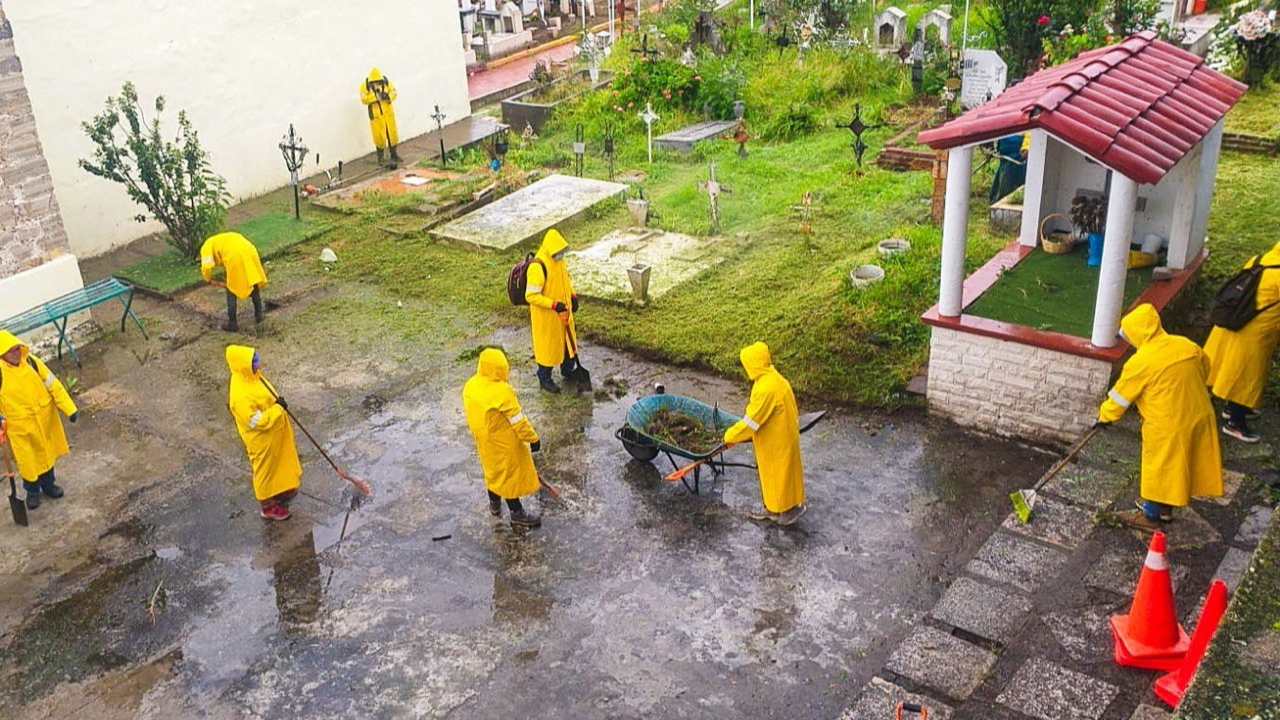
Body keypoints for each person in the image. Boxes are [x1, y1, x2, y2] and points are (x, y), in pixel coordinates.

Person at [1097, 304, 1222, 529]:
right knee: (1178, 466)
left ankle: (1151, 516)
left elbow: (1120, 397)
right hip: (1199, 414)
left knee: (1160, 467)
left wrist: (1105, 417)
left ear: (1136, 333)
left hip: (1168, 423)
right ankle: (1165, 509)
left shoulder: (1141, 361)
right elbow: (1206, 367)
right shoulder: (1185, 345)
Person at [1203, 243, 1280, 443]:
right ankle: (1235, 423)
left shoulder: (1259, 259)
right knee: (1245, 378)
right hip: (1254, 333)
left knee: (1229, 368)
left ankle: (1234, 409)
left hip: (1233, 322)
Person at [723, 342, 806, 525]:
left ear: (752, 364)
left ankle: (785, 511)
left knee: (778, 475)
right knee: (783, 474)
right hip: (783, 435)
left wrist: (729, 436)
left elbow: (750, 422)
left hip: (775, 441)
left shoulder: (765, 389)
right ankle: (779, 508)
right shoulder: (774, 378)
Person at [463, 348, 543, 529]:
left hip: (484, 440)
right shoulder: (503, 391)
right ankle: (517, 513)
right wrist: (533, 439)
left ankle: (494, 505)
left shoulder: (470, 385)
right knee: (508, 477)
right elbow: (519, 421)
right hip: (504, 442)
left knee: (492, 471)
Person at [0, 331, 78, 510]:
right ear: (2, 353)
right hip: (19, 427)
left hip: (43, 420)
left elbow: (53, 385)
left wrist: (69, 409)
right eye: (11, 351)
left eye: (18, 349)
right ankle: (32, 492)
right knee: (27, 460)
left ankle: (49, 485)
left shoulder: (32, 363)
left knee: (46, 454)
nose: (16, 353)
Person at [226, 345, 302, 521]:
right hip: (262, 440)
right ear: (243, 365)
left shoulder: (252, 376)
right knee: (265, 471)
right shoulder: (240, 396)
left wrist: (277, 402)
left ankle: (281, 489)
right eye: (253, 361)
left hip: (275, 432)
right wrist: (277, 409)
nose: (258, 363)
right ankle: (267, 506)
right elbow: (257, 421)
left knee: (280, 462)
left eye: (256, 358)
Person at [525, 229, 583, 393]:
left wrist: (572, 296)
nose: (561, 255)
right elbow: (531, 296)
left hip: (564, 313)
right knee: (548, 348)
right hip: (548, 318)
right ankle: (544, 378)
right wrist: (553, 305)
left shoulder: (559, 261)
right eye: (558, 252)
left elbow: (566, 280)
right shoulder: (538, 266)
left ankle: (567, 371)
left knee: (567, 345)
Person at [201, 231, 268, 332]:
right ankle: (259, 315)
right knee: (252, 281)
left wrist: (208, 278)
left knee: (231, 288)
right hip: (250, 250)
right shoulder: (219, 240)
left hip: (235, 256)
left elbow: (206, 266)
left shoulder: (205, 247)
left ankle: (233, 324)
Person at [360, 68, 400, 168]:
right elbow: (364, 99)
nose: (377, 83)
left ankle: (394, 154)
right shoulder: (365, 87)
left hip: (388, 114)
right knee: (379, 137)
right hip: (376, 117)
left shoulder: (387, 84)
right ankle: (381, 158)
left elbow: (394, 92)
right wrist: (376, 97)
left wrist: (388, 96)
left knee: (392, 135)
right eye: (375, 81)